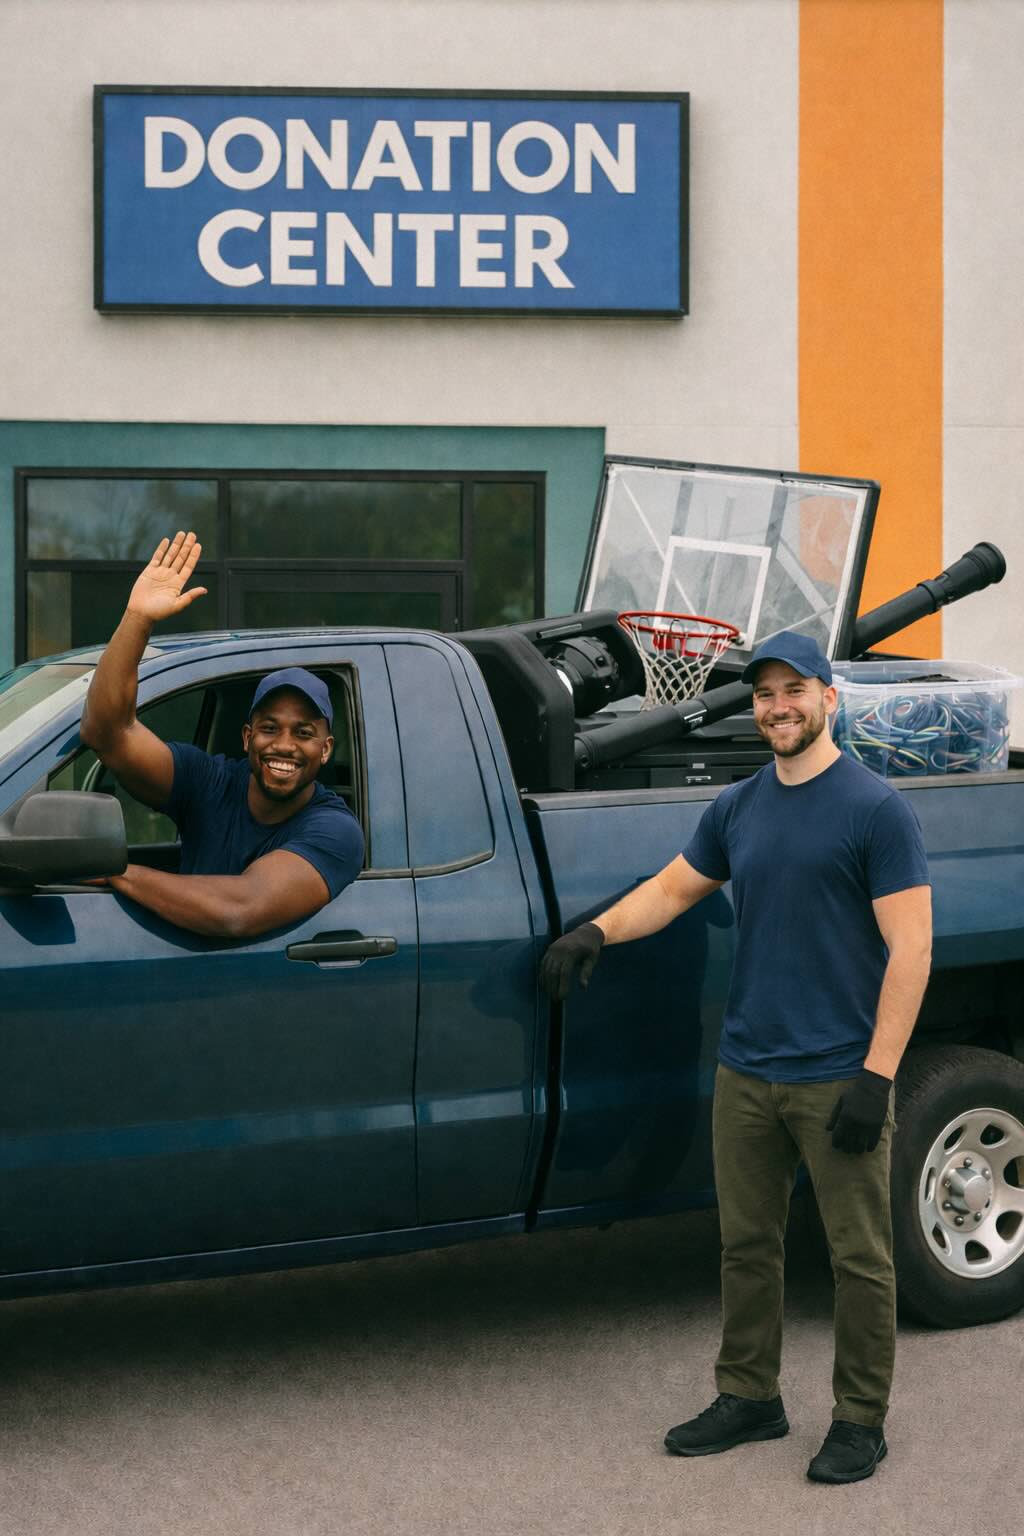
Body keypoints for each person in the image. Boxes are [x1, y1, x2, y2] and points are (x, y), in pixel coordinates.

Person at [540, 630, 932, 1485]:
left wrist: (878, 1076)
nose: (778, 706)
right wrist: (594, 930)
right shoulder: (741, 805)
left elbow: (912, 949)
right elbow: (674, 889)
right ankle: (751, 1396)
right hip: (748, 1069)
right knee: (747, 1245)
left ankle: (861, 1419)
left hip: (837, 1074)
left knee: (859, 1256)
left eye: (794, 690)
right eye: (764, 694)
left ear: (830, 698)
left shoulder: (874, 808)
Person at [79, 530, 364, 937]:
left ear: (325, 749)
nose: (283, 745)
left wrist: (121, 873)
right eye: (269, 728)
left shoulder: (335, 830)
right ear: (247, 737)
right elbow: (107, 732)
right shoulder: (208, 781)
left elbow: (240, 909)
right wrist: (138, 618)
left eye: (303, 732)